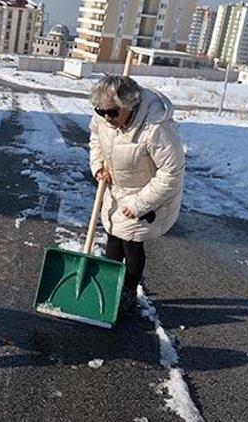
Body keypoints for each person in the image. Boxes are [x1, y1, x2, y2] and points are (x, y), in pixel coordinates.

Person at [88, 75, 185, 312]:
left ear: (128, 105)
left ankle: (129, 291)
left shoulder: (155, 128)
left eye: (111, 112)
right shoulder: (104, 118)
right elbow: (95, 140)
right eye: (100, 112)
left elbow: (172, 172)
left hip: (148, 195)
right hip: (116, 190)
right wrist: (99, 165)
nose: (106, 118)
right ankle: (110, 286)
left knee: (131, 243)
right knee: (113, 236)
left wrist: (140, 204)